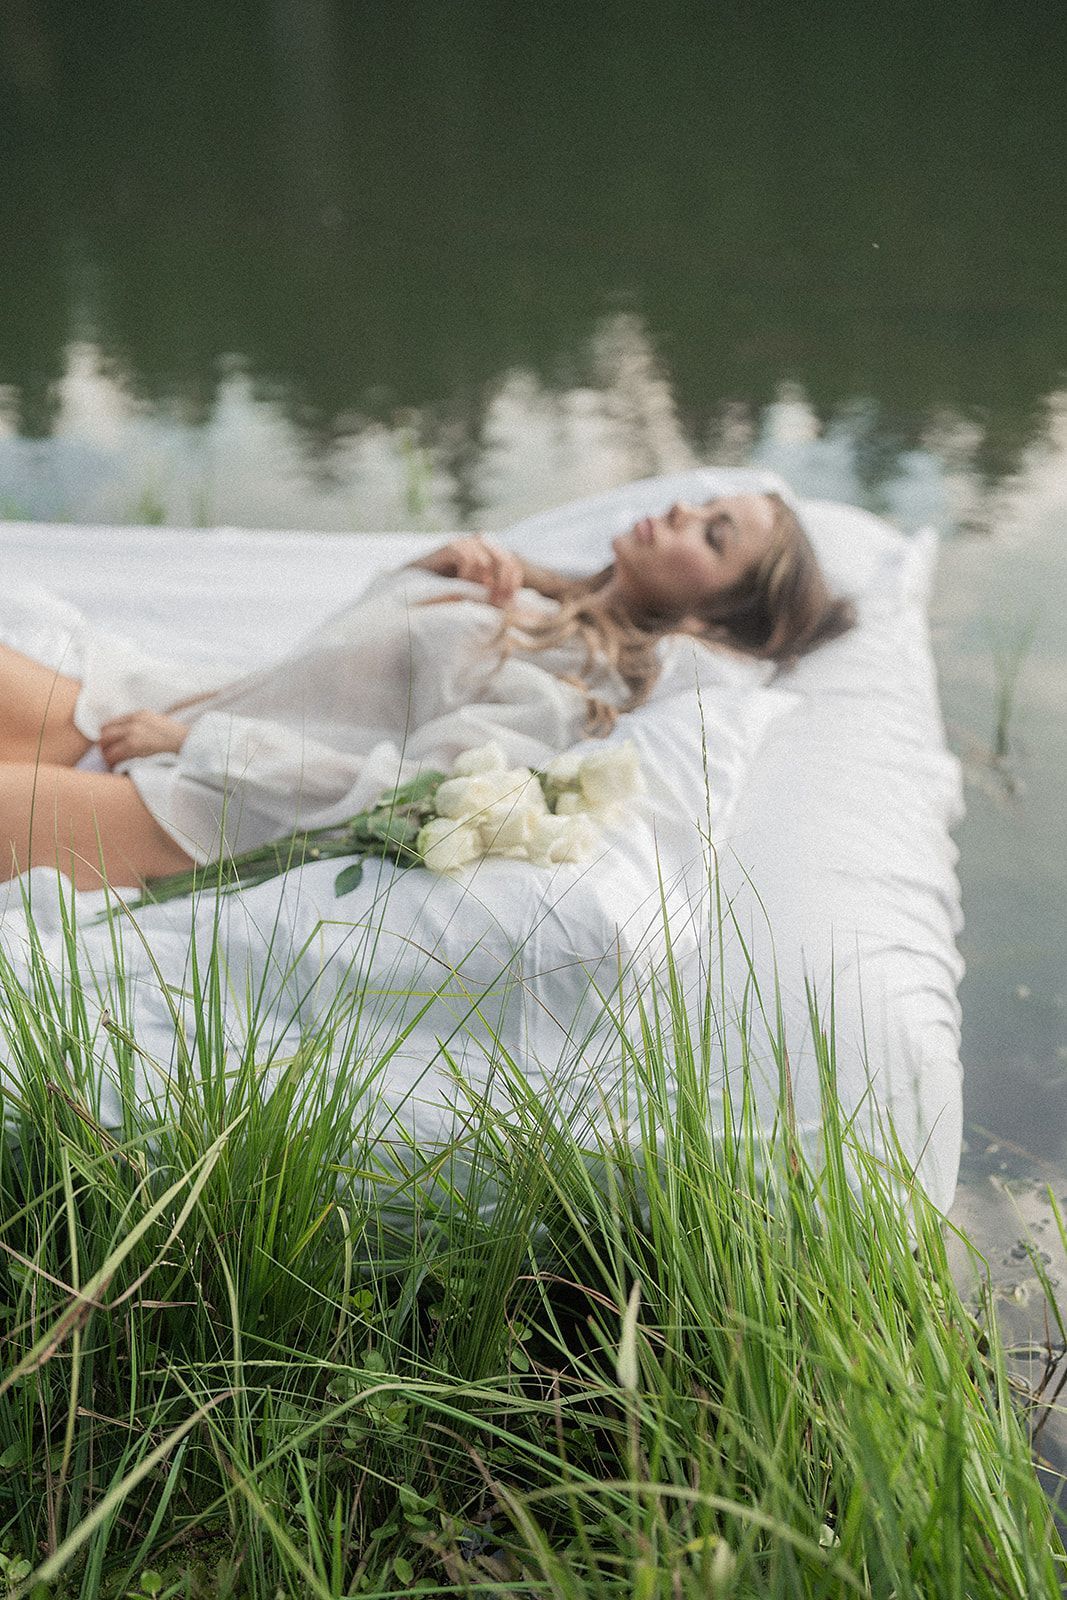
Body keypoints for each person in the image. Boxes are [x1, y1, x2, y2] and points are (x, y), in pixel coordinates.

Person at [0, 492, 854, 891]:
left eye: (710, 534)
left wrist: (199, 749)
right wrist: (426, 570)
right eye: (700, 503)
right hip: (155, 708)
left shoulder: (574, 688)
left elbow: (410, 791)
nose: (674, 511)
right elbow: (333, 675)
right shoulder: (533, 598)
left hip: (197, 806)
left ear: (710, 623)